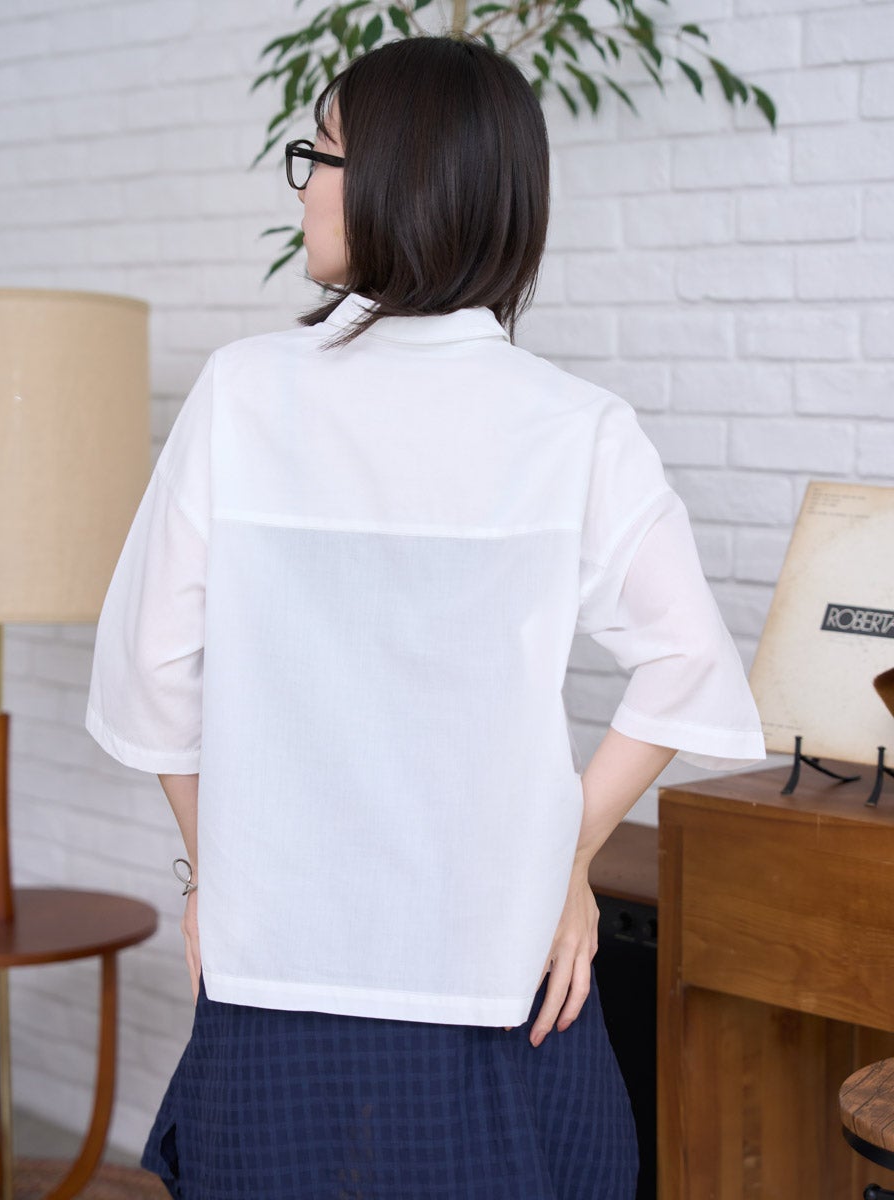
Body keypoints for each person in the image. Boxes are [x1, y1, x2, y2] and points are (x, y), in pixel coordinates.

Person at [85, 33, 765, 1200]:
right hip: (503, 972)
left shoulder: (244, 393)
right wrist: (568, 853)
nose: (304, 184)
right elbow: (689, 668)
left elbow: (151, 672)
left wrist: (216, 876)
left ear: (403, 181)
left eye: (321, 156)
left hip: (279, 975)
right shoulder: (575, 426)